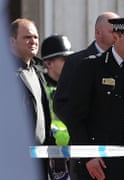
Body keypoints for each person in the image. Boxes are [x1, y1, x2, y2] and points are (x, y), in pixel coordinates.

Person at [63, 17, 124, 180]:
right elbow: (75, 116)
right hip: (100, 165)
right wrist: (88, 155)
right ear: (116, 37)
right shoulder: (90, 67)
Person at [54, 12, 119, 121]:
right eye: (113, 32)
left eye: (120, 32)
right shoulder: (76, 62)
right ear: (98, 33)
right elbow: (61, 104)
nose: (117, 36)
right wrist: (81, 132)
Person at [10, 18, 53, 180]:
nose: (33, 41)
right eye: (27, 37)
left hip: (39, 158)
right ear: (12, 42)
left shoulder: (37, 72)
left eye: (35, 37)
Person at [41, 34, 73, 180]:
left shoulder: (75, 84)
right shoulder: (40, 86)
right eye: (63, 59)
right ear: (48, 63)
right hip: (49, 154)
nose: (68, 63)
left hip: (74, 153)